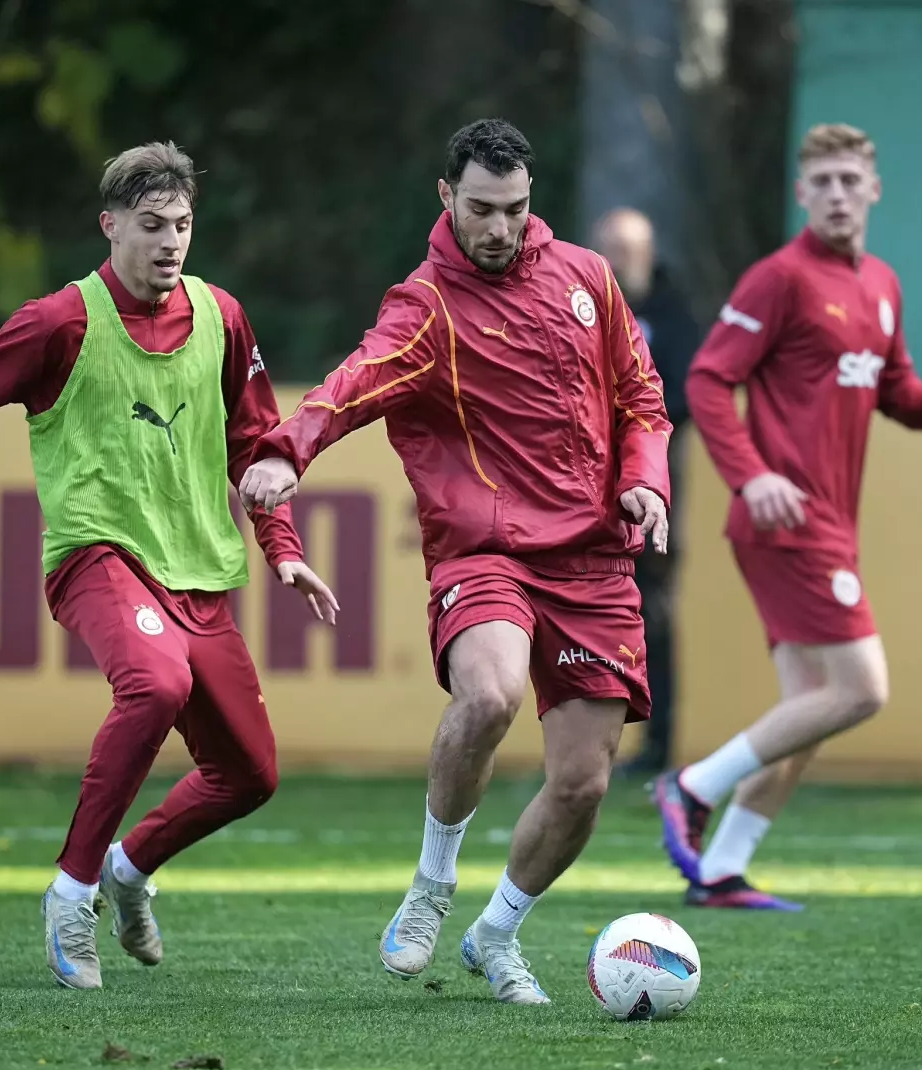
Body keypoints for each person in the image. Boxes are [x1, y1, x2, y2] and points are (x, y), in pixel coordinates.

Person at [0, 141, 339, 988]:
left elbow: (254, 444)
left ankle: (127, 870)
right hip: (96, 553)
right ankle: (72, 891)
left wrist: (284, 549)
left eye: (183, 225)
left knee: (251, 776)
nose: (170, 243)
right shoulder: (60, 322)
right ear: (109, 224)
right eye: (151, 225)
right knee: (154, 684)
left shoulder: (223, 316)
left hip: (198, 570)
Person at [239, 119, 672, 1004]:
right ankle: (433, 888)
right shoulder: (426, 304)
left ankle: (496, 933)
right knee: (490, 693)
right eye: (480, 208)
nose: (499, 227)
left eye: (514, 209)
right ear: (446, 198)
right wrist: (289, 449)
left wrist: (646, 483)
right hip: (489, 553)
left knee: (584, 784)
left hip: (593, 562)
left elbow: (643, 397)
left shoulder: (589, 277)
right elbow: (355, 380)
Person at [654, 123, 922, 910]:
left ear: (874, 189)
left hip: (828, 522)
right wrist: (751, 475)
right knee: (862, 690)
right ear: (802, 194)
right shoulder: (781, 278)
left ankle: (723, 870)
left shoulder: (883, 286)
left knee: (808, 712)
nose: (837, 193)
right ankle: (691, 788)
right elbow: (704, 382)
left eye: (849, 180)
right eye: (823, 181)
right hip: (786, 520)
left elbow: (894, 389)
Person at [592, 208, 700, 775]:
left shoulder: (671, 314)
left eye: (631, 248)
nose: (621, 260)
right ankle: (587, 744)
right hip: (583, 487)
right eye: (611, 248)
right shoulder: (578, 306)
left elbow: (683, 396)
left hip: (652, 488)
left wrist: (634, 425)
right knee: (585, 612)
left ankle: (657, 745)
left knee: (651, 615)